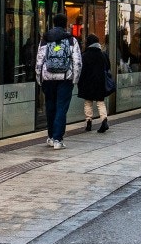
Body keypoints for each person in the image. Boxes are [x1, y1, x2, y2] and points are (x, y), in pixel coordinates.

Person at [34, 14, 81, 149]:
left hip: (48, 79)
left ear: (53, 23)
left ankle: (50, 137)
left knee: (50, 107)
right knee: (61, 108)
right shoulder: (71, 40)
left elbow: (39, 60)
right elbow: (77, 61)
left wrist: (39, 78)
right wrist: (75, 79)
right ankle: (58, 139)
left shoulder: (45, 38)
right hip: (65, 78)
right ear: (65, 24)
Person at [77, 32, 111, 134]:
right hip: (100, 82)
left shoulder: (85, 55)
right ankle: (104, 121)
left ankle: (88, 123)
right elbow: (108, 68)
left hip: (87, 82)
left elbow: (81, 70)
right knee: (100, 102)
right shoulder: (103, 55)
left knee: (88, 102)